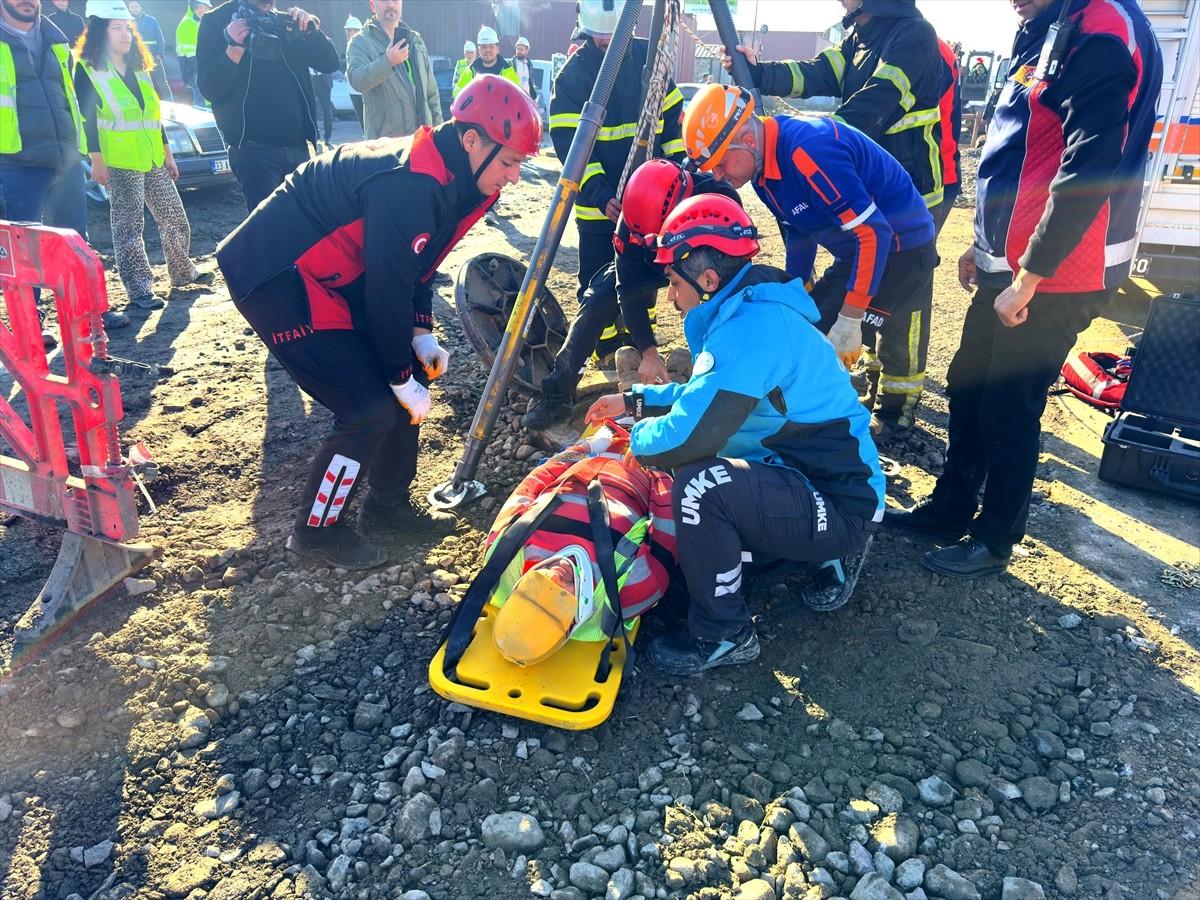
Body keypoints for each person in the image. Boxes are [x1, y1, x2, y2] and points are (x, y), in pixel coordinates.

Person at [215, 75, 541, 570]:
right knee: (369, 407)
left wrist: (420, 330)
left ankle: (386, 504)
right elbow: (386, 287)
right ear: (471, 140)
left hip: (341, 271)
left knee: (408, 376)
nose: (515, 176)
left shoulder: (469, 183)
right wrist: (396, 375)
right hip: (280, 272)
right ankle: (315, 532)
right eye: (510, 161)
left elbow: (418, 267)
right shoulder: (412, 183)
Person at [885, 0, 1162, 579]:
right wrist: (983, 245)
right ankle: (952, 507)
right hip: (1009, 264)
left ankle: (994, 538)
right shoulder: (1048, 27)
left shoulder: (1102, 30)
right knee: (968, 386)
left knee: (1009, 409)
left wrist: (1031, 275)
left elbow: (1090, 161)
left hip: (1058, 274)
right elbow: (1020, 151)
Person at [585, 195, 885, 676]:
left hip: (838, 498)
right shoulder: (749, 311)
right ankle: (801, 553)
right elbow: (710, 394)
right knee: (713, 545)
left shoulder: (751, 328)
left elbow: (692, 437)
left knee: (699, 485)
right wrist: (636, 401)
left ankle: (724, 633)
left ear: (707, 280)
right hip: (801, 475)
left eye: (672, 281)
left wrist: (637, 439)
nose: (669, 295)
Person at [724, 0, 949, 434]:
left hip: (908, 195)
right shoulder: (860, 35)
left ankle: (896, 409)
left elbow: (877, 104)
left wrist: (816, 144)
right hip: (859, 185)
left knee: (897, 308)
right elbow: (816, 73)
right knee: (848, 301)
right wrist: (760, 71)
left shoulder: (914, 36)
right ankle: (848, 378)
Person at [682, 84, 937, 438]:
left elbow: (874, 233)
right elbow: (799, 231)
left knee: (837, 339)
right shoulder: (762, 175)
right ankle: (816, 412)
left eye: (721, 163)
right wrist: (797, 292)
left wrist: (850, 317)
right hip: (859, 249)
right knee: (811, 327)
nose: (720, 176)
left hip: (900, 248)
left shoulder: (808, 151)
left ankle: (881, 420)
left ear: (748, 141)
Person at [522, 157, 738, 430]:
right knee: (598, 299)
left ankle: (719, 381)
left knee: (719, 307)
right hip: (649, 264)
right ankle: (557, 393)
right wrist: (648, 352)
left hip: (700, 262)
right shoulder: (632, 220)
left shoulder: (719, 197)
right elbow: (627, 289)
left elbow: (733, 272)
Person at [549, 0, 684, 362]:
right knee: (596, 280)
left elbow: (671, 124)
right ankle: (606, 348)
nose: (609, 45)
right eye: (601, 39)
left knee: (642, 278)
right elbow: (570, 146)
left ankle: (641, 343)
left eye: (615, 37)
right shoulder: (573, 77)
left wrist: (672, 175)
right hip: (598, 210)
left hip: (650, 207)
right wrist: (600, 193)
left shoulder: (650, 60)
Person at [0, 0, 129, 337]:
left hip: (66, 158)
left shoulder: (56, 39)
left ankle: (89, 315)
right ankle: (29, 327)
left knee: (76, 243)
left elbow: (68, 97)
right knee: (23, 252)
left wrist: (80, 149)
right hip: (17, 162)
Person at [75, 0, 212, 311]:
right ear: (99, 31)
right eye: (117, 28)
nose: (125, 33)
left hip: (152, 157)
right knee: (128, 228)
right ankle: (140, 289)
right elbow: (87, 119)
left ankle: (182, 273)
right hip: (119, 162)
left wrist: (168, 155)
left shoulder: (140, 67)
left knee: (175, 218)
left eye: (128, 28)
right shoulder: (88, 69)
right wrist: (96, 160)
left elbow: (154, 115)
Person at [195, 0, 339, 213]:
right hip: (254, 151)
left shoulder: (284, 21)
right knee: (269, 235)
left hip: (299, 147)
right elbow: (209, 88)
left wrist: (310, 32)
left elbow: (330, 63)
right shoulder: (216, 22)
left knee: (305, 230)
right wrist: (233, 49)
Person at [346, 0, 441, 141]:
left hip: (422, 143)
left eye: (396, 0)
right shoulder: (360, 42)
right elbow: (357, 81)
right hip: (386, 148)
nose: (391, 4)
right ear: (372, 5)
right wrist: (387, 61)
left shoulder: (415, 40)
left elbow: (431, 94)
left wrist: (439, 135)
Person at [123, 0, 169, 101]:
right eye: (132, 7)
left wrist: (159, 54)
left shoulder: (151, 20)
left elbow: (160, 38)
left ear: (141, 7)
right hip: (137, 60)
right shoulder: (127, 23)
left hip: (154, 58)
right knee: (144, 84)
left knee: (162, 83)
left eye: (136, 6)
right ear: (129, 9)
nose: (134, 9)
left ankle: (170, 104)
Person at [453, 26, 519, 96]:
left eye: (491, 46)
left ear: (497, 49)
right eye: (484, 47)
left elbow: (518, 94)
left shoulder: (507, 71)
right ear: (479, 50)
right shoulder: (471, 70)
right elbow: (457, 91)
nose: (487, 50)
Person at [175, 1, 211, 108]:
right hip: (196, 69)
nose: (210, 10)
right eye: (208, 7)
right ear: (200, 7)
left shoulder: (195, 22)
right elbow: (191, 53)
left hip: (199, 68)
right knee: (201, 100)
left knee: (204, 98)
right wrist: (203, 70)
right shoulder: (188, 24)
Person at [342, 15, 363, 127]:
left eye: (350, 30)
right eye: (347, 30)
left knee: (366, 122)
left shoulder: (362, 45)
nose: (348, 33)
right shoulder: (349, 45)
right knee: (361, 121)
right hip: (353, 89)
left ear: (357, 31)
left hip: (362, 90)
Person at [512, 35, 535, 99]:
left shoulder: (529, 65)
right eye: (518, 49)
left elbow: (530, 82)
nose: (519, 51)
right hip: (515, 97)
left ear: (527, 51)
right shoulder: (511, 63)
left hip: (527, 98)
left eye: (521, 49)